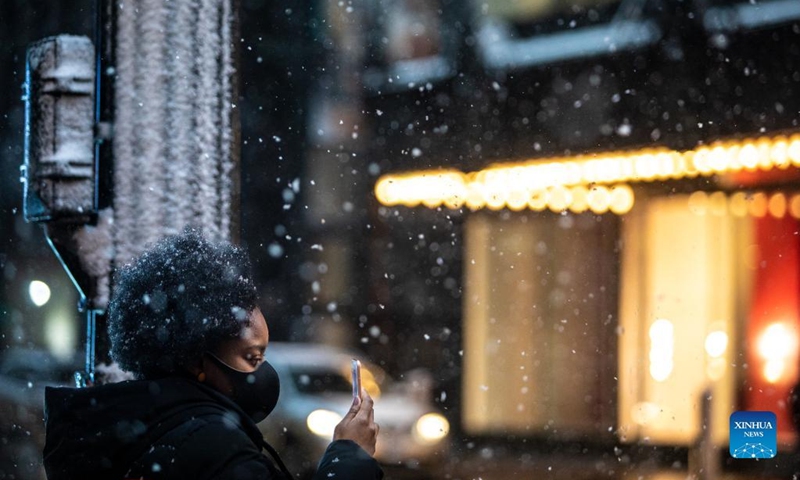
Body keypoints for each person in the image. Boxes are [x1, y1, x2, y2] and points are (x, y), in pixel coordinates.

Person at [42, 228, 383, 480]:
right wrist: (349, 459)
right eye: (252, 357)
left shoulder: (141, 429)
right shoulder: (211, 446)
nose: (263, 372)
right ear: (195, 358)